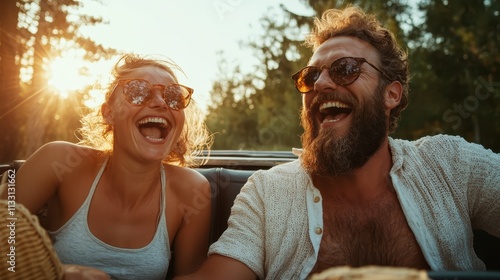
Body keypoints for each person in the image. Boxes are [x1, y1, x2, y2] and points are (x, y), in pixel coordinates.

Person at [176, 6, 500, 280]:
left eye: (345, 69)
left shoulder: (449, 164)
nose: (322, 83)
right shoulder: (267, 193)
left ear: (391, 94)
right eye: (310, 76)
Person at [1, 54, 213, 279]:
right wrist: (59, 273)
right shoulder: (57, 161)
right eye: (138, 91)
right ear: (109, 113)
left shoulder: (193, 191)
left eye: (173, 96)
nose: (161, 102)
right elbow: (6, 245)